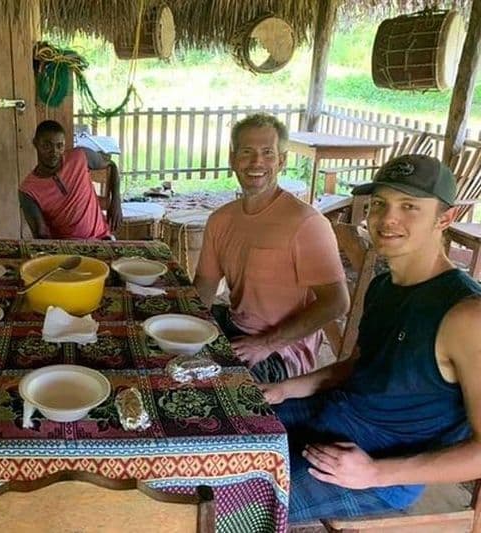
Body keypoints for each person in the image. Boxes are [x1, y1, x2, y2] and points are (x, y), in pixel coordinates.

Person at [262, 154, 481, 523]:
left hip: (374, 471)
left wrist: (374, 473)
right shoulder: (383, 285)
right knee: (229, 429)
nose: (387, 218)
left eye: (409, 206)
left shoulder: (465, 315)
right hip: (333, 415)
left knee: (232, 510)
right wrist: (284, 389)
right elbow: (358, 366)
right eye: (379, 204)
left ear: (445, 218)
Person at [194, 113, 349, 383]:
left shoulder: (306, 223)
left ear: (282, 161)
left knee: (215, 385)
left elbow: (336, 303)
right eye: (247, 152)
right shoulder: (220, 219)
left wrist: (265, 344)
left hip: (282, 350)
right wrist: (187, 328)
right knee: (164, 348)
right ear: (233, 159)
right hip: (235, 325)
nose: (256, 162)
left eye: (268, 153)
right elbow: (205, 285)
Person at [19, 120, 122, 239]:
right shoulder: (28, 190)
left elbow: (112, 165)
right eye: (47, 146)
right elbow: (41, 234)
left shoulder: (79, 156)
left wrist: (116, 201)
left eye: (59, 146)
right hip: (68, 249)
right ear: (35, 144)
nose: (54, 152)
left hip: (103, 238)